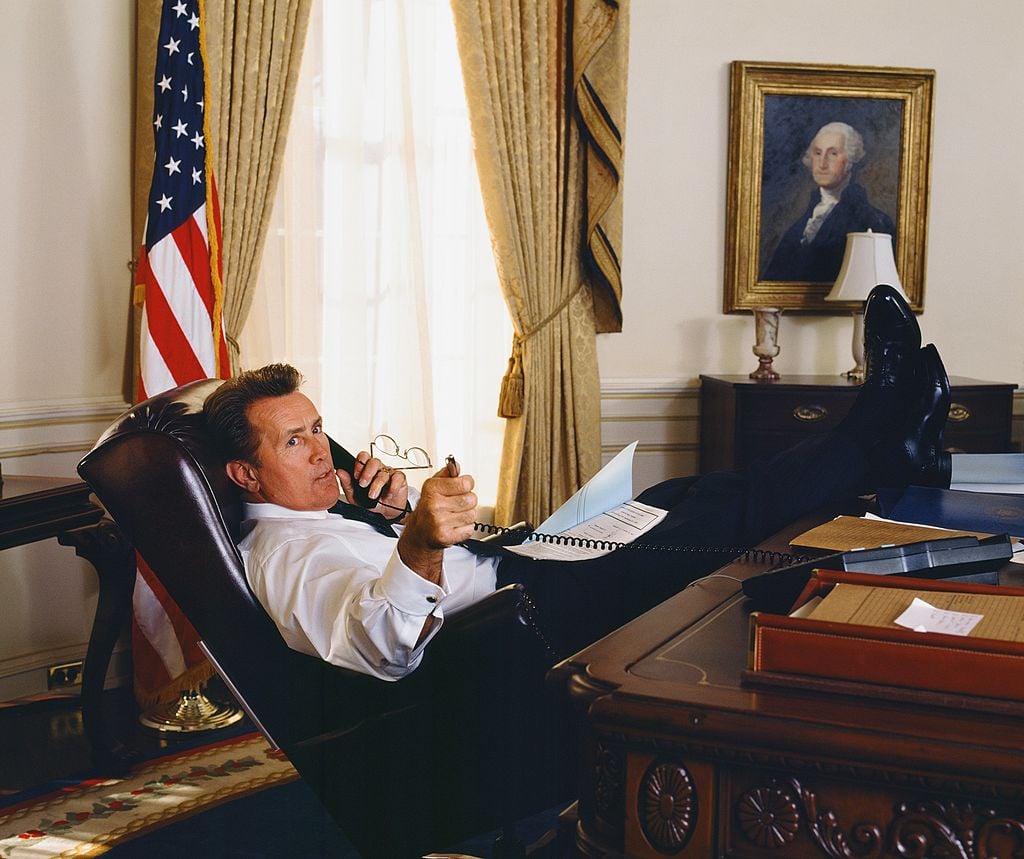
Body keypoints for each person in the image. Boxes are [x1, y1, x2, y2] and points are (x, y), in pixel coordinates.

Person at [204, 285, 951, 680]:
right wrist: (422, 542)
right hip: (521, 620)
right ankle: (876, 434)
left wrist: (394, 512)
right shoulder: (284, 557)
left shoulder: (318, 512)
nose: (320, 451)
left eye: (317, 429)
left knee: (684, 494)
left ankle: (884, 445)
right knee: (719, 516)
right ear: (245, 473)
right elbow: (382, 648)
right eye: (294, 441)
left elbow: (380, 563)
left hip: (521, 559)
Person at [763, 121, 897, 283]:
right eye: (817, 153)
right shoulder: (804, 220)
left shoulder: (872, 221)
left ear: (850, 160)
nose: (822, 164)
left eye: (833, 154)